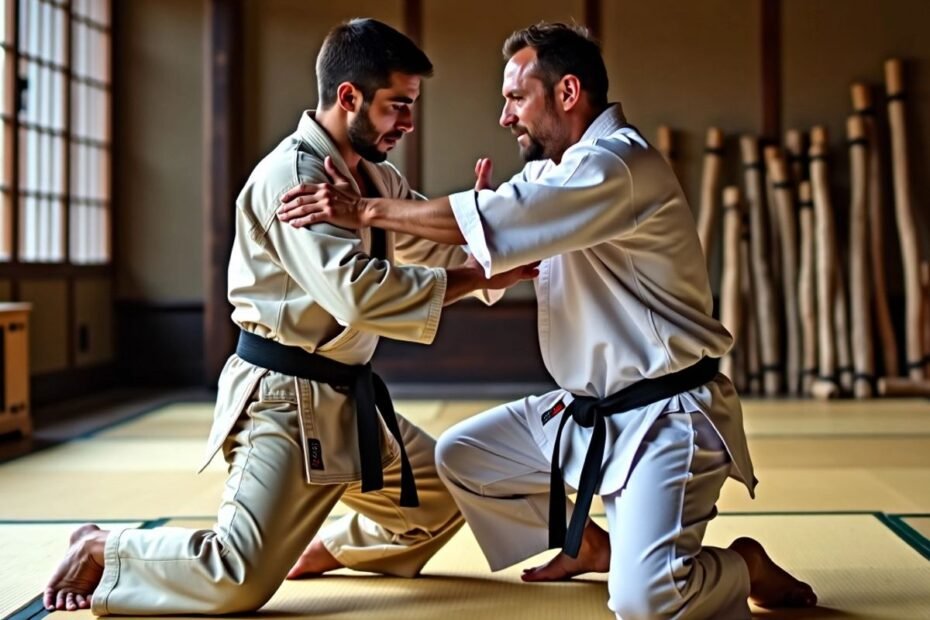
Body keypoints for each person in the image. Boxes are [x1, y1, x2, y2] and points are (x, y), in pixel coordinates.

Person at [276, 22, 818, 619]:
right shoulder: (552, 171)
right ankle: (590, 545)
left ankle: (742, 563)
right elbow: (488, 234)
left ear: (567, 93)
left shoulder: (618, 167)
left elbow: (491, 219)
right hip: (584, 412)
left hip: (665, 416)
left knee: (648, 604)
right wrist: (473, 237)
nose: (506, 117)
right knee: (462, 458)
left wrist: (365, 209)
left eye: (515, 98)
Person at [43, 18, 536, 615]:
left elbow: (430, 250)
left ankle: (326, 546)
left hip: (348, 405)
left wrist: (488, 237)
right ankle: (103, 546)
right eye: (397, 106)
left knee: (449, 495)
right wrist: (478, 275)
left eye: (411, 107)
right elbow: (357, 295)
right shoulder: (295, 176)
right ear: (349, 96)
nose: (407, 123)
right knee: (237, 581)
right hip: (285, 403)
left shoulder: (376, 175)